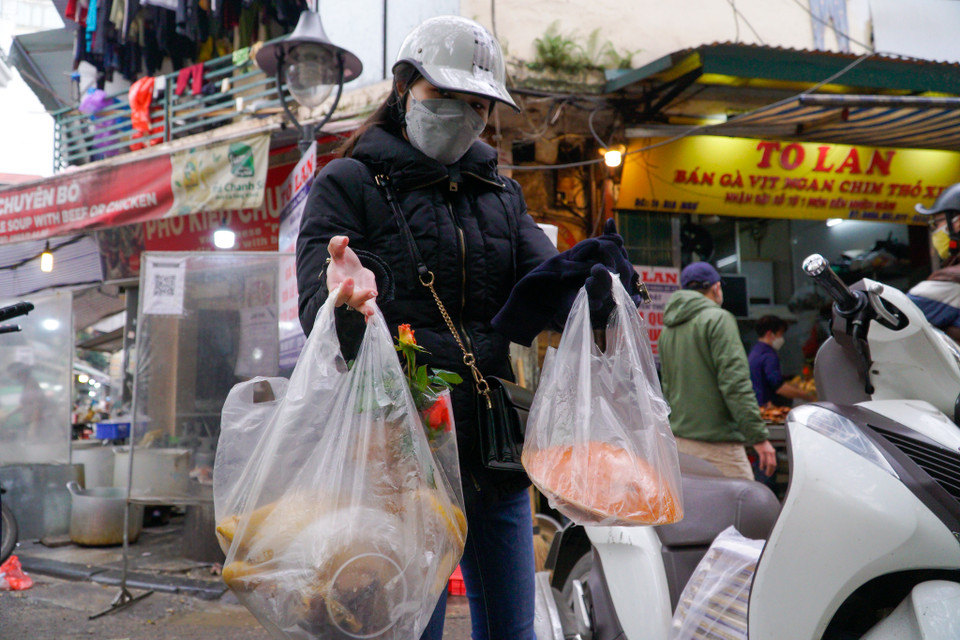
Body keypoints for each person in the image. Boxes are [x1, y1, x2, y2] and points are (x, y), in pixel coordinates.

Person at [295, 15, 638, 640]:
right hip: (399, 458)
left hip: (493, 450)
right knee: (406, 628)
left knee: (514, 630)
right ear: (404, 89)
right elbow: (317, 317)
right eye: (445, 97)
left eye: (478, 103)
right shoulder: (347, 184)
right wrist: (341, 300)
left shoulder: (500, 194)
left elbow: (545, 283)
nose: (464, 113)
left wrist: (594, 291)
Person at [658, 262, 777, 481]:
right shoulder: (719, 319)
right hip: (718, 448)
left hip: (680, 444)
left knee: (697, 513)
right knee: (751, 512)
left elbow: (667, 386)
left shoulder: (667, 330)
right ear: (716, 288)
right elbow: (735, 384)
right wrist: (758, 438)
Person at [748, 315, 815, 407]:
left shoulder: (755, 351)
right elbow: (779, 387)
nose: (782, 338)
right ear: (769, 334)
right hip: (767, 406)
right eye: (780, 334)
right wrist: (808, 396)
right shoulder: (768, 355)